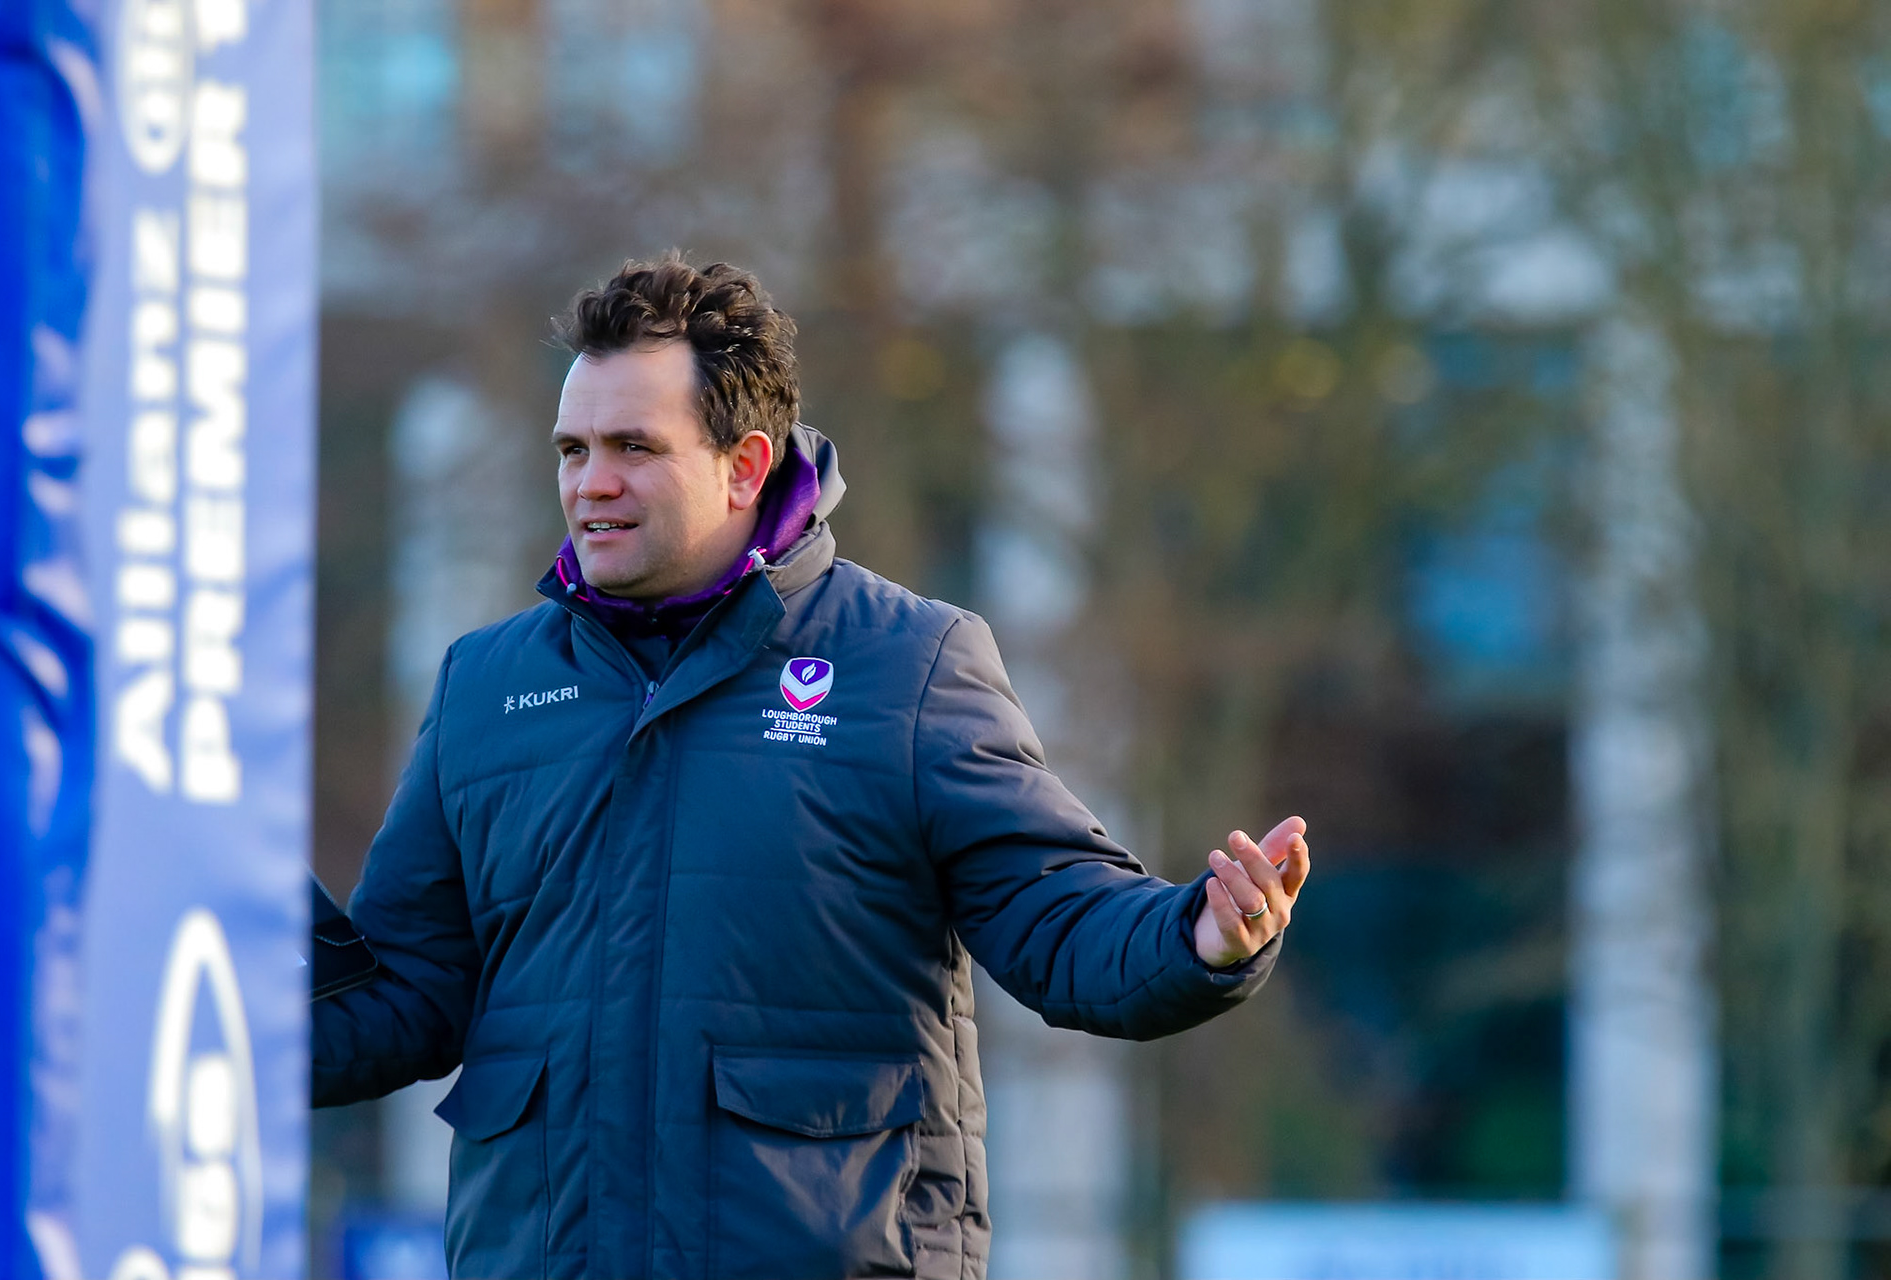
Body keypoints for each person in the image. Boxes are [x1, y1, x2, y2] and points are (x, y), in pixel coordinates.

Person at [312, 253, 1311, 1280]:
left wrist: (1200, 936)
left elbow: (1055, 915)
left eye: (631, 446)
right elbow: (403, 995)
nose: (588, 480)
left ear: (745, 465)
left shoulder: (910, 663)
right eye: (572, 447)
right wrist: (216, 935)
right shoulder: (485, 682)